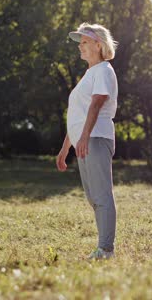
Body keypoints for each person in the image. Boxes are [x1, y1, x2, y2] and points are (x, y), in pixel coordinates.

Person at [56, 22, 119, 260]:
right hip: (86, 138)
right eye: (79, 42)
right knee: (93, 196)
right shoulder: (91, 73)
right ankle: (104, 246)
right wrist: (65, 149)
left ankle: (106, 249)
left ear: (98, 44)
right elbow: (78, 114)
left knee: (101, 195)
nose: (80, 47)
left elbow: (97, 103)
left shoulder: (103, 69)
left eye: (84, 42)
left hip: (96, 137)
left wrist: (83, 137)